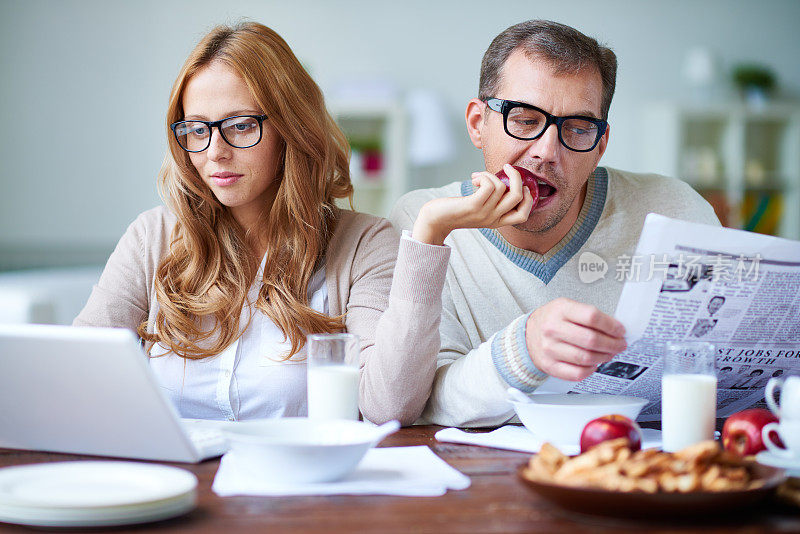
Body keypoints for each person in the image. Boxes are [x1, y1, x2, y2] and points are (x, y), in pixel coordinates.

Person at [74, 22, 521, 426]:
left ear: (291, 127)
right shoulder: (152, 237)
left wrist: (428, 235)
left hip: (301, 501)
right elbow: (78, 371)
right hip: (177, 489)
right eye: (196, 129)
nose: (214, 152)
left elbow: (390, 406)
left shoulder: (364, 244)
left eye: (241, 126)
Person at [390, 20, 720, 427]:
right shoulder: (421, 221)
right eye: (525, 120)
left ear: (600, 145)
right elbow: (422, 400)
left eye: (578, 129)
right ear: (478, 124)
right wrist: (523, 350)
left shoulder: (675, 210)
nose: (547, 152)